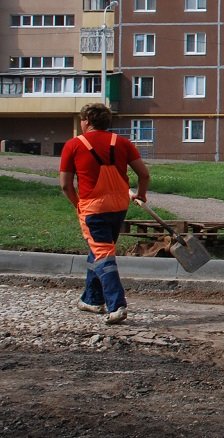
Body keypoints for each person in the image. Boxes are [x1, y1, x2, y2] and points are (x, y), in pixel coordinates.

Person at [59, 103, 150, 324]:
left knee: (103, 256)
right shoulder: (122, 143)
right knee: (99, 252)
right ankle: (91, 299)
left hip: (93, 209)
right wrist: (141, 195)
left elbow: (65, 185)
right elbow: (144, 174)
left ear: (87, 120)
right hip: (119, 207)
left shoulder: (73, 145)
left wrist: (77, 204)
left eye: (81, 120)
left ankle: (117, 305)